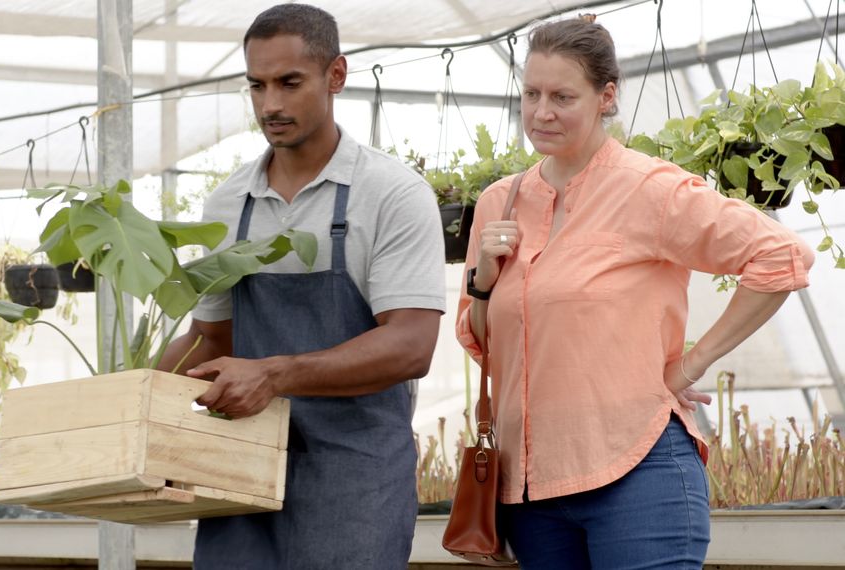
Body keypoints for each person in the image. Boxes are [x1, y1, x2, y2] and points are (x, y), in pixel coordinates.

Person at [456, 17, 816, 570]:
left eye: (562, 96)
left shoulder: (650, 188)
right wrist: (483, 274)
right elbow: (486, 346)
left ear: (606, 97)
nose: (541, 112)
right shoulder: (499, 202)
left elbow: (781, 257)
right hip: (530, 490)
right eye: (531, 94)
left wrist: (692, 365)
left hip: (639, 472)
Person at [157, 4, 446, 569]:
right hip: (241, 469)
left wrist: (272, 374)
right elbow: (211, 340)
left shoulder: (389, 193)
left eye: (290, 83)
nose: (271, 105)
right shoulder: (227, 204)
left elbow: (412, 345)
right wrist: (128, 396)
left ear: (335, 75)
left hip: (354, 475)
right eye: (257, 85)